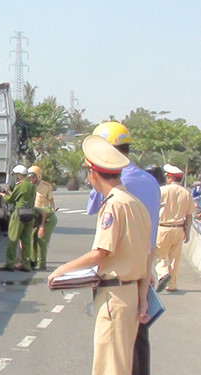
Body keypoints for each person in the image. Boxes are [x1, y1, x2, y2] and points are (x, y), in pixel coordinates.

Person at [49, 135, 150, 375]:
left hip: (113, 296)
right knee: (121, 364)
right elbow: (148, 256)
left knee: (109, 367)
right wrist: (143, 298)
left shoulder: (113, 205)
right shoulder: (137, 204)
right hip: (131, 293)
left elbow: (100, 253)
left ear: (94, 175)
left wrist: (61, 270)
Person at [86, 121, 160, 375]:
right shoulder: (150, 181)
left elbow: (93, 209)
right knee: (138, 343)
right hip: (143, 270)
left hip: (118, 278)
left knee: (113, 355)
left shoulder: (116, 186)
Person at [153, 164, 195, 293]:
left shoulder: (162, 191)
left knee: (159, 255)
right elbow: (189, 215)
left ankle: (163, 274)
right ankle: (172, 284)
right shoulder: (186, 193)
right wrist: (187, 232)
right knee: (175, 258)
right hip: (179, 229)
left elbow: (154, 209)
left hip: (163, 228)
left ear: (169, 177)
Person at [0, 165, 36, 272]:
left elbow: (10, 200)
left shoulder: (20, 186)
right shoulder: (31, 186)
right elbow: (20, 198)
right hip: (30, 215)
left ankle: (10, 264)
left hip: (19, 214)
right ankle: (26, 265)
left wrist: (2, 195)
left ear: (19, 176)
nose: (15, 178)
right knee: (26, 241)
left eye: (16, 175)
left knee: (12, 240)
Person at [28, 165, 57, 270]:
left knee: (41, 240)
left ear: (38, 177)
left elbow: (51, 201)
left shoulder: (46, 187)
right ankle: (33, 261)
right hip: (36, 215)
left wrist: (42, 226)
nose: (31, 179)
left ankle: (42, 264)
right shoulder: (29, 186)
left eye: (33, 177)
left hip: (46, 217)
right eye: (29, 177)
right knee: (32, 238)